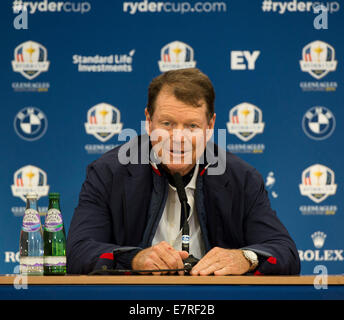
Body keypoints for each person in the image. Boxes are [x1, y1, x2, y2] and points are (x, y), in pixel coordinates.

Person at [67, 68, 300, 275]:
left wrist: (245, 258)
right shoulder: (108, 173)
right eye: (167, 123)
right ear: (149, 121)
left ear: (210, 127)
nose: (178, 138)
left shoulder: (242, 179)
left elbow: (285, 252)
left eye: (192, 126)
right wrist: (134, 259)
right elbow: (78, 251)